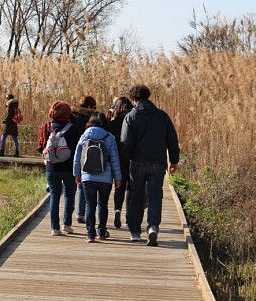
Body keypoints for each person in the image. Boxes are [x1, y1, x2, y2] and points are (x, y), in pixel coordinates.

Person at [121, 84, 180, 246]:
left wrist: (129, 159)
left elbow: (125, 143)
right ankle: (153, 227)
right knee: (155, 196)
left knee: (136, 196)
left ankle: (134, 232)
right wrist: (173, 161)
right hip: (158, 163)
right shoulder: (162, 116)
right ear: (148, 97)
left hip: (137, 162)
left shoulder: (131, 117)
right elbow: (172, 139)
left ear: (134, 99)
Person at [73, 111, 122, 243]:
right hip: (105, 178)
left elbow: (77, 157)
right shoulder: (110, 137)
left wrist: (77, 174)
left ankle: (90, 234)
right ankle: (101, 232)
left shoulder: (84, 136)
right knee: (103, 205)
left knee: (90, 205)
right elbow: (115, 160)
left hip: (87, 177)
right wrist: (118, 178)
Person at [43, 101, 81, 236]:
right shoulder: (74, 128)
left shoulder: (46, 127)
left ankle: (55, 228)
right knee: (69, 195)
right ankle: (67, 224)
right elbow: (78, 149)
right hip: (69, 167)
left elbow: (40, 146)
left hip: (51, 167)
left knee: (54, 196)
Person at [109, 96, 134, 229]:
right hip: (131, 158)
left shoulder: (113, 123)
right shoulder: (133, 121)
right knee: (130, 187)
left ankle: (117, 210)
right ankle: (128, 215)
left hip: (116, 158)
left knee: (119, 186)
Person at [71, 96, 97, 223]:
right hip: (85, 154)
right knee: (82, 185)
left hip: (70, 153)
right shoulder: (91, 119)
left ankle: (70, 215)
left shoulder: (71, 116)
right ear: (89, 107)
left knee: (70, 186)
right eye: (94, 107)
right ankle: (81, 214)